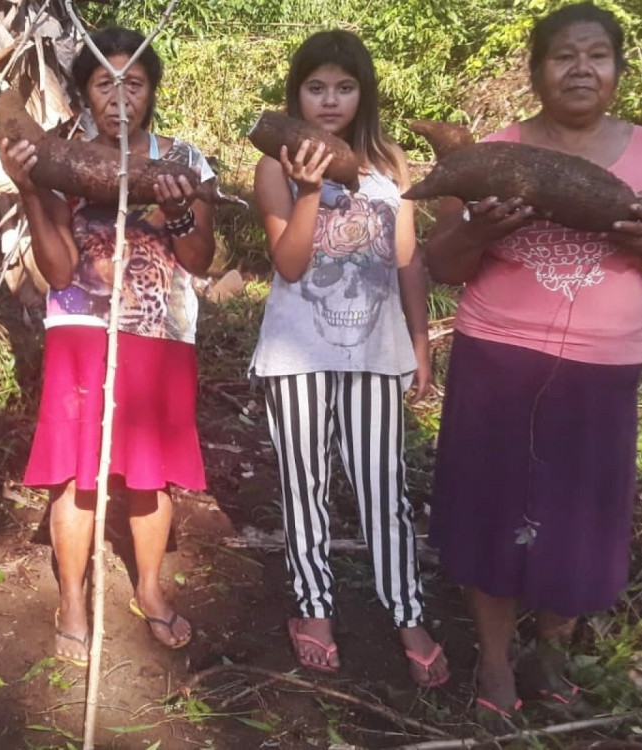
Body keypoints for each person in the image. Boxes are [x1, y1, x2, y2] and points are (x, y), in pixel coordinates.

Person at [423, 1, 642, 722]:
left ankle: (550, 654)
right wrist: (478, 228)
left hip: (600, 367)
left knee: (577, 520)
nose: (580, 68)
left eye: (597, 55)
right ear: (538, 70)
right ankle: (493, 662)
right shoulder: (500, 147)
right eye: (563, 55)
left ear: (615, 68)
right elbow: (444, 264)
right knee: (492, 509)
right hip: (497, 357)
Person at [0, 27, 216, 666]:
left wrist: (177, 214)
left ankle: (148, 588)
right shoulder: (57, 160)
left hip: (160, 330)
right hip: (81, 330)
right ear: (84, 92)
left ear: (152, 92)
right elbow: (59, 272)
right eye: (103, 83)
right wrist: (32, 190)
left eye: (135, 83)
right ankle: (72, 597)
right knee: (76, 470)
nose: (119, 97)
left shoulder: (186, 161)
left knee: (150, 473)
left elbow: (201, 260)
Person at [249, 30, 448, 687]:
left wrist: (419, 344)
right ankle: (313, 609)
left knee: (382, 487)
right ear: (296, 95)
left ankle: (408, 613)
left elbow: (407, 261)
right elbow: (289, 262)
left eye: (343, 86)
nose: (329, 100)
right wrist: (310, 191)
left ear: (363, 94)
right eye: (316, 87)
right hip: (297, 352)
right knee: (304, 486)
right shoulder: (276, 165)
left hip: (373, 350)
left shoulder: (391, 166)